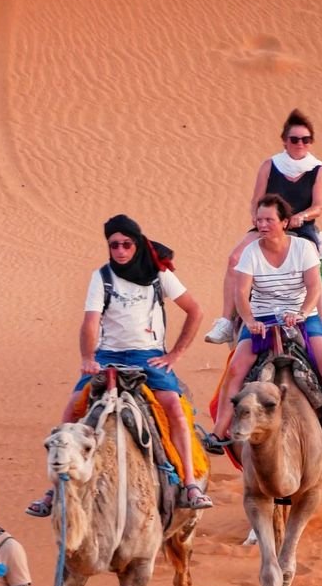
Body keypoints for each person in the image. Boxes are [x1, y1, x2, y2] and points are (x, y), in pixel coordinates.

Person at [26, 213, 213, 515]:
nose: (121, 251)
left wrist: (174, 354)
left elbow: (195, 311)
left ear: (137, 244)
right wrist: (88, 358)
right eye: (114, 246)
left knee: (175, 410)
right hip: (107, 357)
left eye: (127, 244)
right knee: (71, 413)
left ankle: (190, 483)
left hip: (148, 356)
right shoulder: (102, 277)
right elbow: (91, 321)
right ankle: (54, 490)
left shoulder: (159, 274)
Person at [205, 194, 322, 455]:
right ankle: (218, 433)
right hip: (262, 320)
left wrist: (302, 313)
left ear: (284, 222)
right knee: (236, 368)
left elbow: (314, 287)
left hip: (302, 318)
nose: (263, 225)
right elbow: (241, 294)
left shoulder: (302, 248)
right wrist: (250, 321)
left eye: (269, 220)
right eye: (259, 220)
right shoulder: (250, 253)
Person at [205, 109, 322, 346]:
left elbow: (318, 206)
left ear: (310, 142)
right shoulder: (271, 165)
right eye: (294, 139)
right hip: (268, 223)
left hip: (300, 227)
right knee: (235, 259)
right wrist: (257, 218)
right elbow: (256, 200)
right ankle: (226, 321)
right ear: (285, 141)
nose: (299, 144)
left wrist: (300, 217)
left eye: (305, 139)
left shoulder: (318, 169)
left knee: (313, 269)